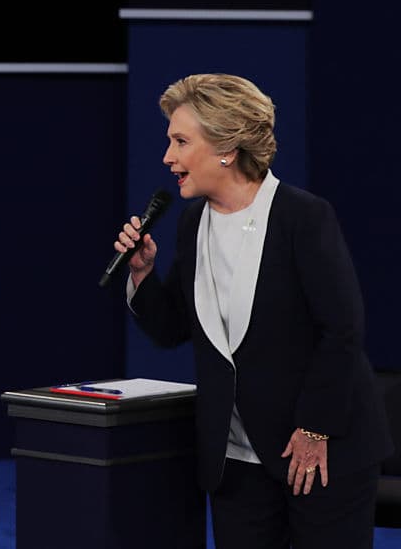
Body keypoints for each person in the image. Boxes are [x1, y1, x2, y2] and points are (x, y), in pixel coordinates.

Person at [113, 73, 392, 548]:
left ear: (227, 145)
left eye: (181, 141)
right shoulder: (192, 221)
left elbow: (341, 330)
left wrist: (314, 429)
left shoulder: (303, 217)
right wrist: (142, 275)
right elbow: (175, 327)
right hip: (236, 458)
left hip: (317, 452)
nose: (168, 157)